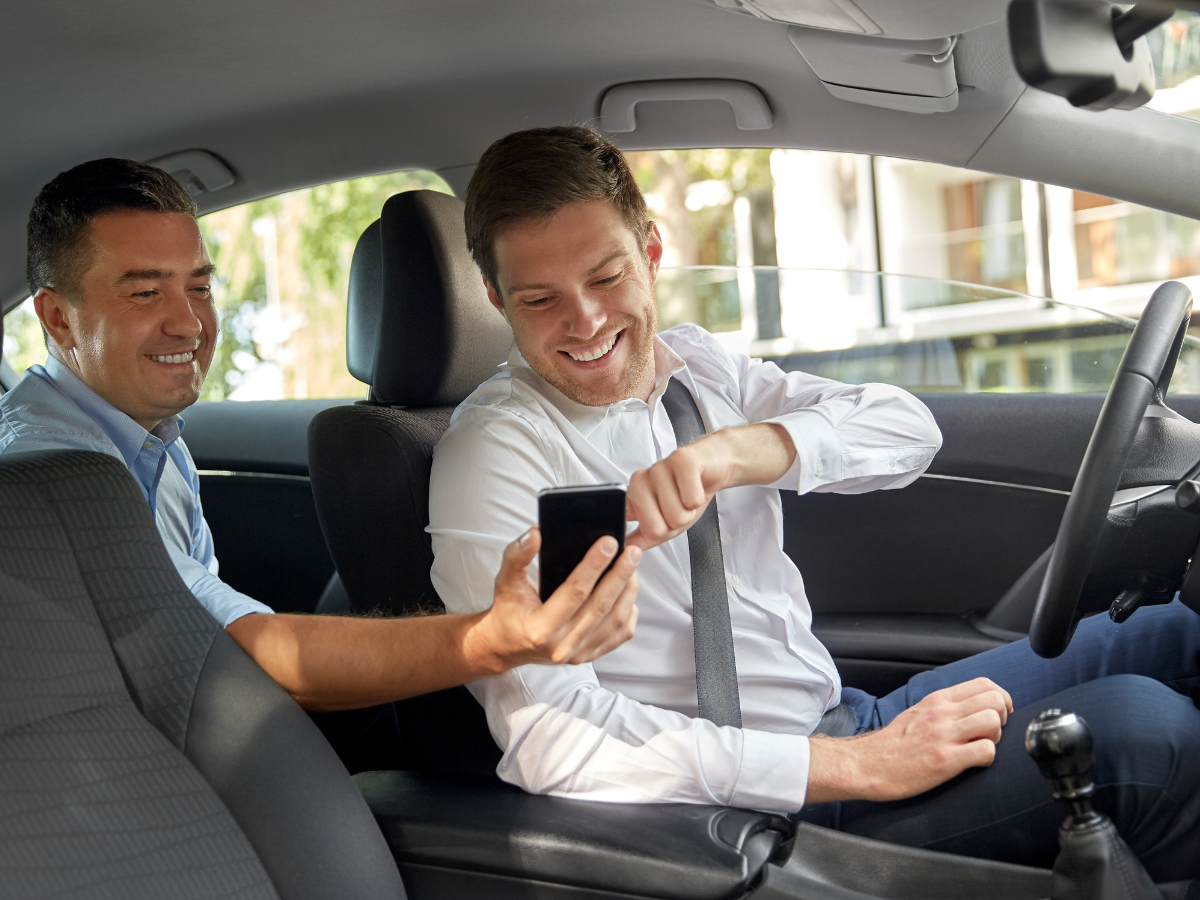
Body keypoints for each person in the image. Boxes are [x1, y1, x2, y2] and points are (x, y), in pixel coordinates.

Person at [428, 125, 1200, 878]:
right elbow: (554, 738)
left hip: (848, 717)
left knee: (1180, 632)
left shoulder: (698, 372)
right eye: (540, 300)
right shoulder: (498, 455)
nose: (587, 322)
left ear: (652, 252)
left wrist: (742, 450)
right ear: (496, 298)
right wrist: (852, 765)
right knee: (1148, 734)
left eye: (605, 278)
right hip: (754, 806)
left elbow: (907, 429)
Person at [1, 157, 641, 719]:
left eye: (199, 286)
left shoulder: (145, 435)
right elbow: (225, 645)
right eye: (145, 292)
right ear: (59, 318)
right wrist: (493, 638)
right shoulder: (53, 476)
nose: (190, 323)